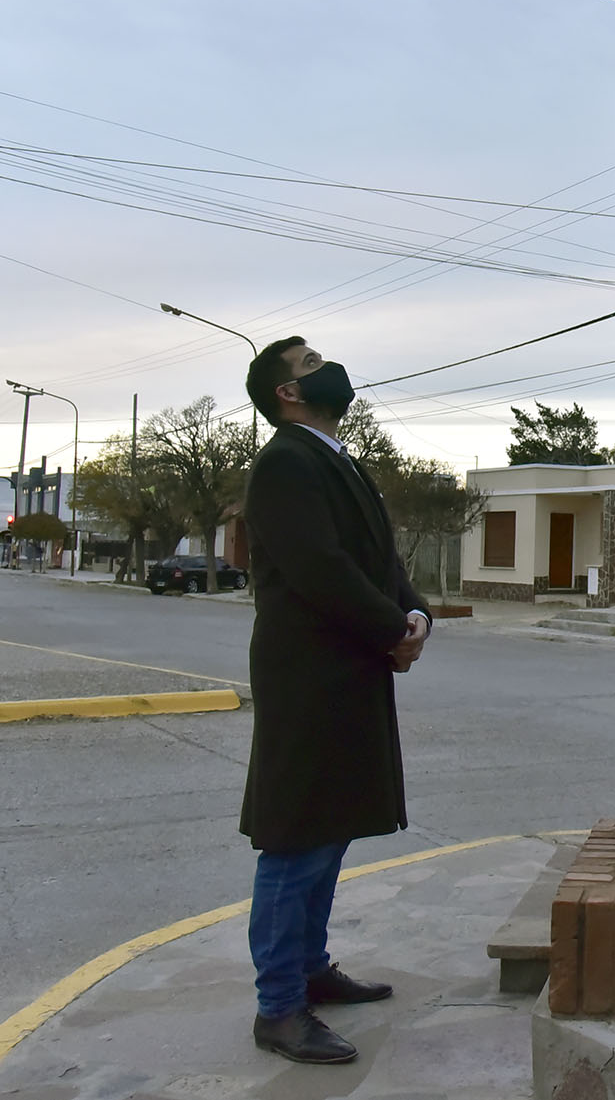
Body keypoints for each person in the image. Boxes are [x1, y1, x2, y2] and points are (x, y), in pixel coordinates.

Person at [240, 337, 432, 1065]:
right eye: (311, 363)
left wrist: (414, 615)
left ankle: (311, 968)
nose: (329, 369)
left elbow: (375, 561)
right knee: (296, 837)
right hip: (308, 676)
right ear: (286, 393)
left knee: (329, 828)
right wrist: (391, 629)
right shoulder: (286, 460)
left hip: (348, 670)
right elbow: (319, 566)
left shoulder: (331, 454)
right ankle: (279, 1005)